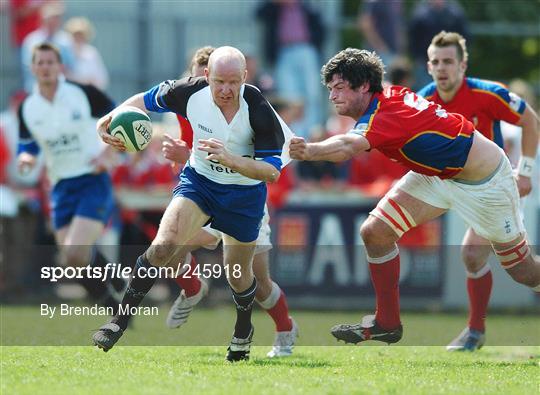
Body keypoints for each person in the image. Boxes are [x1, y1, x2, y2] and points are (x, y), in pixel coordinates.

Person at [289, 48, 540, 345]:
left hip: (485, 184)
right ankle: (387, 323)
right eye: (330, 89)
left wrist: (311, 150)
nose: (332, 96)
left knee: (524, 272)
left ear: (364, 86)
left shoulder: (385, 112)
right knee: (375, 231)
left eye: (340, 88)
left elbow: (346, 148)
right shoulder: (386, 100)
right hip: (437, 175)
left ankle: (468, 327)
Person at [92, 46, 293, 362]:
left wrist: (231, 159)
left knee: (239, 275)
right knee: (164, 246)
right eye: (218, 82)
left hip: (244, 194)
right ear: (206, 76)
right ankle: (120, 320)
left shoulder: (258, 108)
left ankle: (244, 329)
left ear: (244, 77)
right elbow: (143, 99)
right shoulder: (188, 91)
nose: (225, 90)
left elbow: (271, 172)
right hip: (199, 183)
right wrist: (107, 119)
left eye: (233, 82)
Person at [162, 46, 298, 358]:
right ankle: (193, 289)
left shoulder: (251, 103)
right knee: (169, 245)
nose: (208, 91)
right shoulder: (191, 106)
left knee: (257, 283)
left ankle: (284, 328)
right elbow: (195, 156)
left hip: (244, 199)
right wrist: (182, 157)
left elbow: (279, 153)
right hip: (210, 196)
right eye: (198, 82)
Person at [417, 31, 540, 351]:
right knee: (474, 257)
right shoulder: (421, 102)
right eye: (435, 62)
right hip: (459, 189)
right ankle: (475, 332)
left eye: (448, 61)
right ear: (428, 66)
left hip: (492, 191)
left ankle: (474, 331)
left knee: (523, 272)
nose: (441, 68)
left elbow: (530, 120)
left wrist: (525, 172)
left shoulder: (487, 95)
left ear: (463, 65)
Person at [17, 43, 122, 309]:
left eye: (50, 62)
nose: (45, 68)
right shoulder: (28, 107)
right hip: (61, 185)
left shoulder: (81, 92)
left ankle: (114, 301)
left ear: (60, 65)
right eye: (39, 63)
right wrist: (26, 157)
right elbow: (27, 143)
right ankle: (113, 298)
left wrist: (107, 152)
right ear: (32, 68)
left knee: (76, 250)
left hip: (91, 178)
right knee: (72, 259)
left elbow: (121, 117)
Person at [256, 0, 325, 139]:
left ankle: (312, 133)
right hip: (284, 51)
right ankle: (295, 135)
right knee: (289, 95)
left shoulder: (307, 6)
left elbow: (320, 27)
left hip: (306, 50)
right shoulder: (274, 7)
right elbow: (258, 13)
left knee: (311, 93)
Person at [20, 1, 74, 92]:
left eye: (56, 18)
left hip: (62, 88)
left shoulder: (66, 40)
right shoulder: (32, 40)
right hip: (35, 88)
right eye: (50, 18)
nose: (53, 21)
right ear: (42, 19)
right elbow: (28, 66)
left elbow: (71, 65)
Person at [64, 17, 109, 90]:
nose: (78, 38)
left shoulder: (92, 53)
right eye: (75, 35)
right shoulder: (65, 53)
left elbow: (102, 79)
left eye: (81, 35)